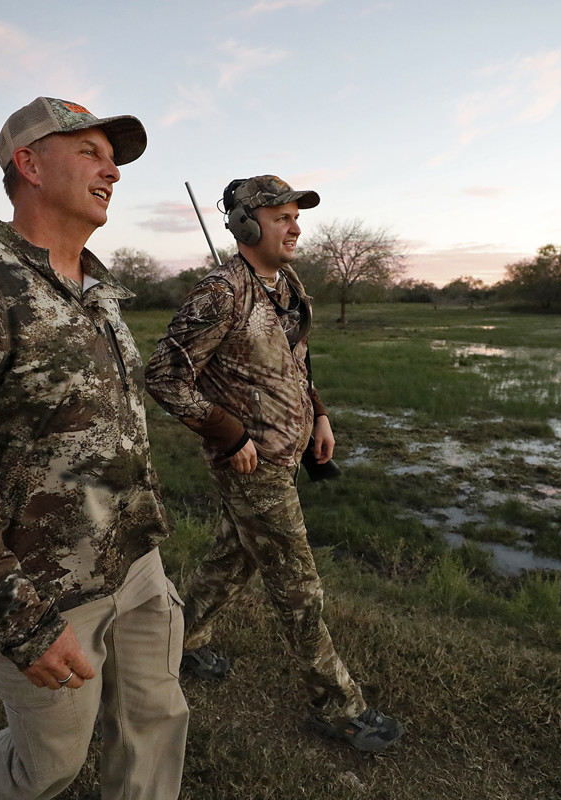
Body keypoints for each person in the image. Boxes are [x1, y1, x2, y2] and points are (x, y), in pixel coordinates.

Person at [0, 97, 188, 800]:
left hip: (137, 561)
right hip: (47, 585)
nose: (111, 170)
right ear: (28, 164)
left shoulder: (101, 288)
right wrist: (16, 617)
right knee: (46, 770)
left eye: (113, 158)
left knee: (155, 724)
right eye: (89, 151)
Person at [144, 175, 402, 752]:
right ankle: (338, 707)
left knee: (232, 560)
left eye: (296, 216)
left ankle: (177, 646)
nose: (296, 226)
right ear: (245, 224)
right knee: (297, 584)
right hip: (250, 464)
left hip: (287, 450)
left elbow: (295, 359)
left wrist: (319, 416)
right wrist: (230, 434)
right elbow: (163, 376)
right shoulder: (221, 293)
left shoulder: (287, 283)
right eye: (282, 216)